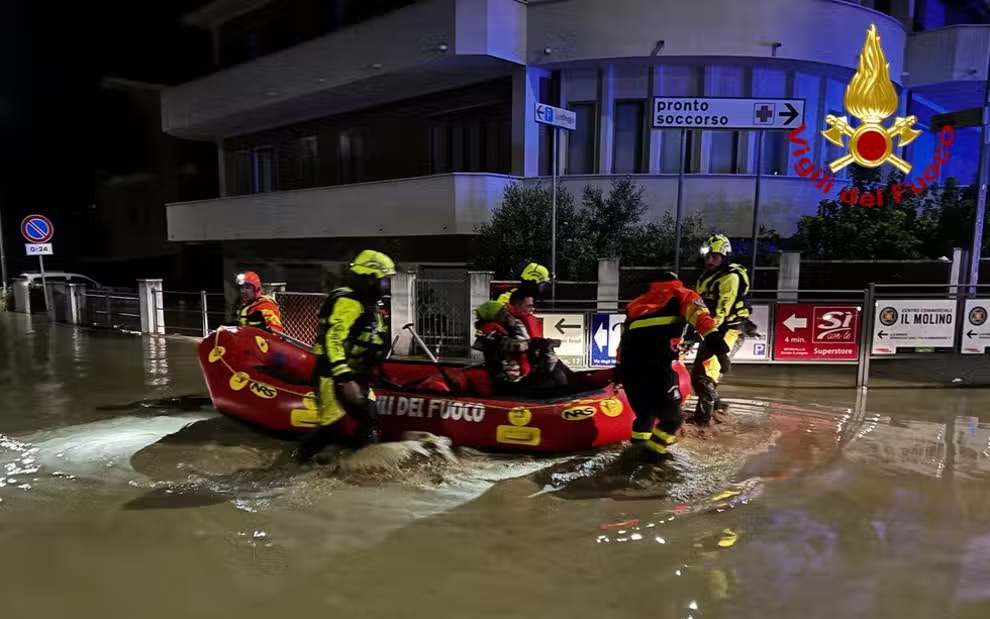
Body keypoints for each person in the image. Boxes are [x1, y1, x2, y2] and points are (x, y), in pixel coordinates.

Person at [614, 272, 730, 463]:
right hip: (657, 367)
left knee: (644, 416)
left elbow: (623, 341)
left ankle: (633, 454)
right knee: (673, 419)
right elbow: (704, 322)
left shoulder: (634, 304)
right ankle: (652, 456)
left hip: (629, 369)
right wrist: (721, 351)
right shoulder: (682, 294)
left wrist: (618, 370)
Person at [291, 250, 395, 463]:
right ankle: (298, 460)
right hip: (332, 373)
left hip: (358, 374)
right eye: (384, 280)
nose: (386, 285)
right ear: (370, 279)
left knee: (371, 419)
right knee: (332, 426)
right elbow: (334, 340)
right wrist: (346, 379)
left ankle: (361, 465)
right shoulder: (348, 303)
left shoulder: (371, 307)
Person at [685, 234, 753, 425]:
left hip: (728, 331)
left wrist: (698, 335)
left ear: (724, 256)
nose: (710, 260)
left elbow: (721, 312)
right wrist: (691, 333)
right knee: (698, 376)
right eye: (708, 256)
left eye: (714, 256)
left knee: (705, 376)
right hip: (712, 330)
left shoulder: (730, 277)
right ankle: (718, 408)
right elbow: (698, 307)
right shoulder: (705, 276)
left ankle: (703, 423)